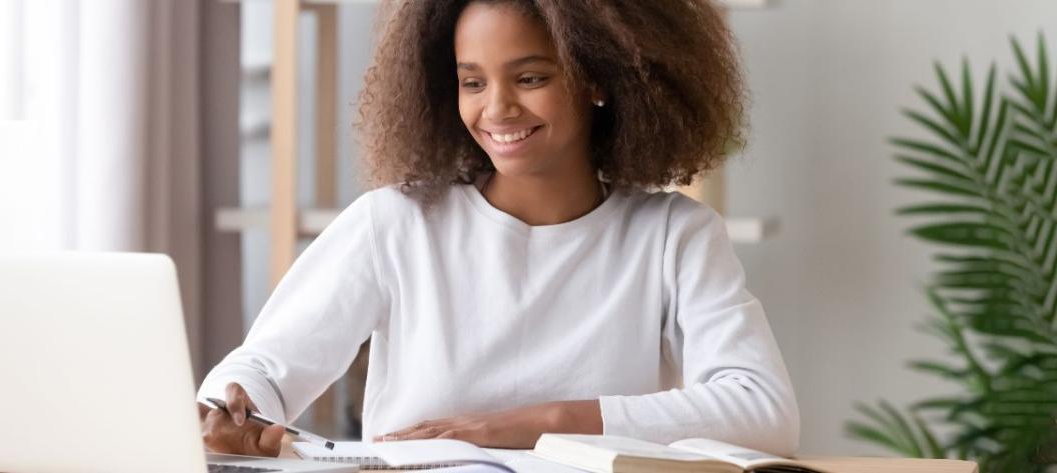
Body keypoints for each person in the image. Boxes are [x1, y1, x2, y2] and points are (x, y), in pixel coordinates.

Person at [198, 0, 799, 459]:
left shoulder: (673, 235)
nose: (497, 109)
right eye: (473, 81)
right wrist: (232, 411)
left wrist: (537, 424)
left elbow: (763, 411)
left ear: (597, 80)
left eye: (531, 77)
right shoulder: (397, 222)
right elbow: (263, 370)